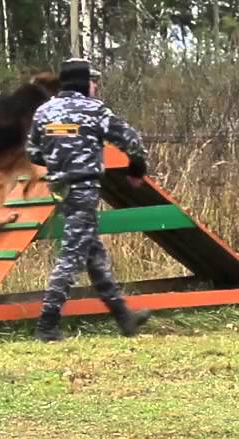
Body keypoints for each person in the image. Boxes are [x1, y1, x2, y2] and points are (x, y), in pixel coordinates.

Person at [26, 58, 152, 342]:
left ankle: (124, 317)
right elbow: (131, 140)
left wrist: (59, 160)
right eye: (93, 81)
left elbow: (33, 152)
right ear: (84, 82)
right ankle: (47, 324)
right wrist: (137, 168)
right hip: (84, 187)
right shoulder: (93, 110)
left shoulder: (44, 111)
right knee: (71, 255)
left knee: (93, 255)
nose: (95, 86)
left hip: (60, 188)